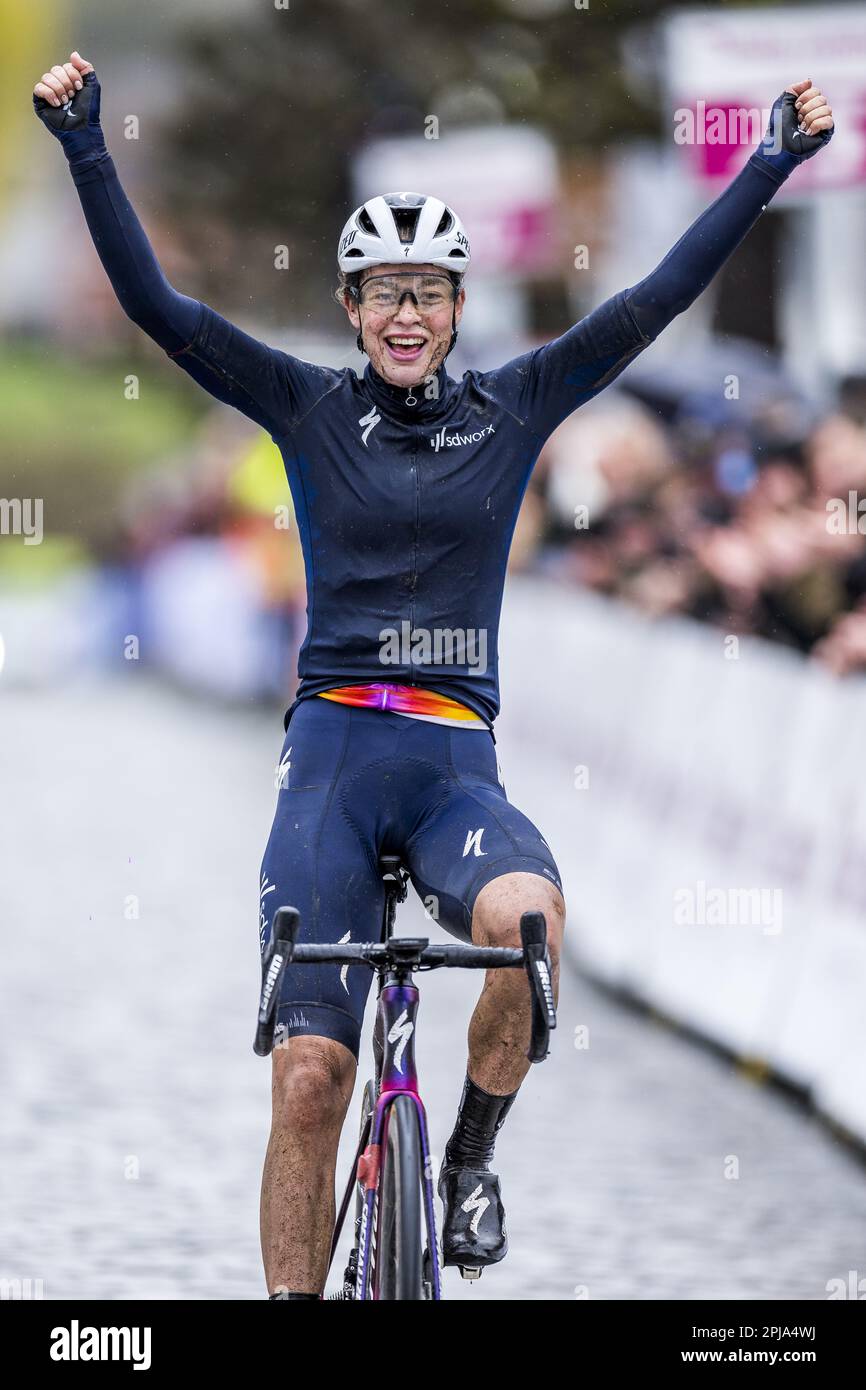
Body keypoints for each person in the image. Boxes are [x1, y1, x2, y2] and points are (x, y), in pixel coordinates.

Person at [34, 52, 833, 1299]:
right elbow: (155, 305)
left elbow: (658, 296)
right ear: (351, 309)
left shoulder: (517, 407)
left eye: (427, 292)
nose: (405, 314)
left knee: (534, 931)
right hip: (334, 764)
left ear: (456, 308)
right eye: (382, 293)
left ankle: (464, 1160)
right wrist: (85, 138)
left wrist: (773, 158)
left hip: (455, 762)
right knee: (311, 1080)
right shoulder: (301, 408)